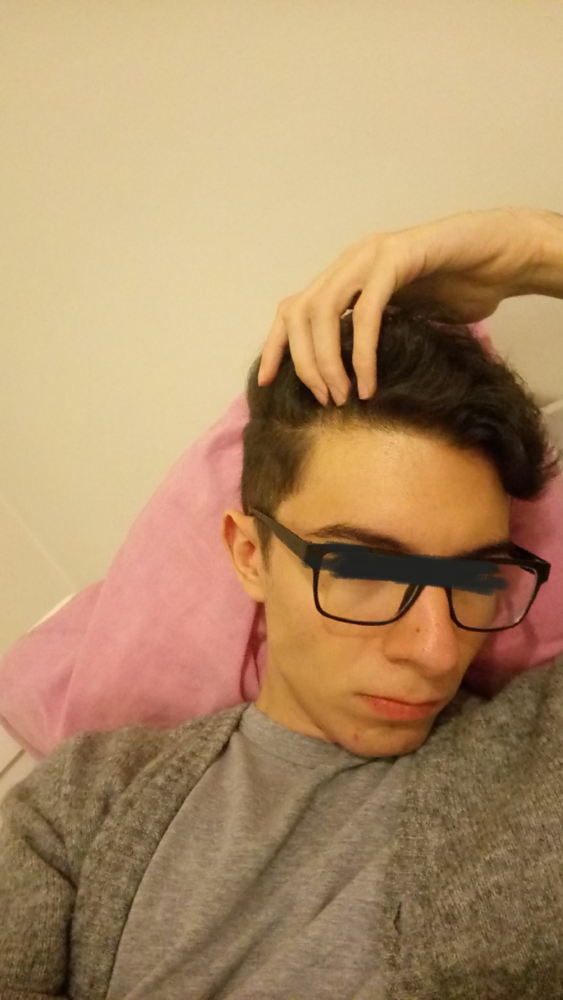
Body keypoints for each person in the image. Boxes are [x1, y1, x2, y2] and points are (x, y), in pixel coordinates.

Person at [1, 206, 563, 999]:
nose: (436, 651)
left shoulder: (537, 754)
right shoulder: (85, 804)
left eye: (475, 579)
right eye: (363, 567)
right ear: (248, 554)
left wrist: (533, 250)